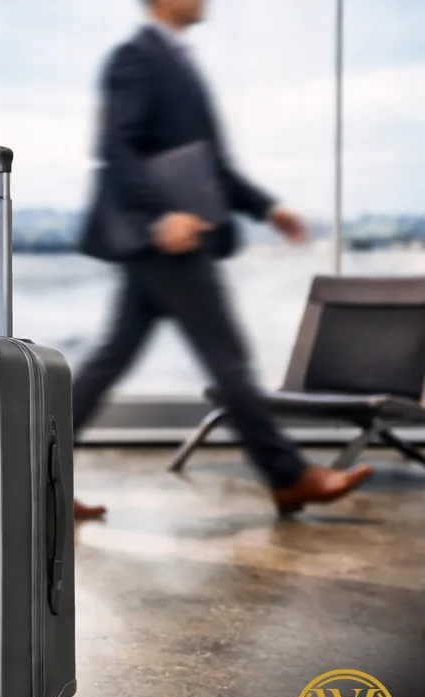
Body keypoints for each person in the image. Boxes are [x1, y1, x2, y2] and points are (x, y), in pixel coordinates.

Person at [72, 0, 373, 518]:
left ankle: (30, 476)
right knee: (227, 358)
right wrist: (159, 217)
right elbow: (114, 148)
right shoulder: (135, 58)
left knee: (108, 362)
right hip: (168, 242)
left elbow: (209, 165)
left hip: (174, 241)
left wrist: (267, 208)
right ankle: (288, 476)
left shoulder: (179, 61)